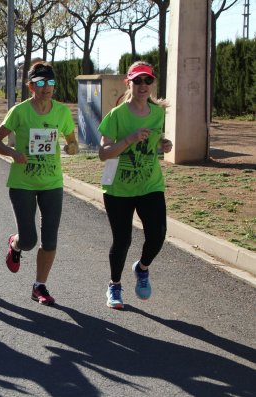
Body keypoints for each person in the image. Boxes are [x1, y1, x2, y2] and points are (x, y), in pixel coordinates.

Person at [0, 61, 79, 306]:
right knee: (29, 240)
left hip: (52, 182)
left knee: (50, 239)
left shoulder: (61, 112)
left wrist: (72, 147)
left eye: (50, 83)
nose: (46, 87)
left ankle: (39, 286)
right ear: (30, 86)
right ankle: (15, 244)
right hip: (23, 183)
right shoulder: (19, 112)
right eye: (40, 83)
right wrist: (12, 153)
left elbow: (73, 142)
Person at [98, 61, 172, 310]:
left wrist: (163, 144)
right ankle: (114, 286)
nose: (143, 85)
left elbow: (155, 142)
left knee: (158, 234)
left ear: (153, 84)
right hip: (119, 188)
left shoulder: (158, 113)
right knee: (122, 240)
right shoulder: (116, 116)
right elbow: (103, 153)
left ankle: (142, 268)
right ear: (127, 83)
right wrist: (128, 139)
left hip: (150, 184)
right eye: (137, 80)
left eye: (147, 80)